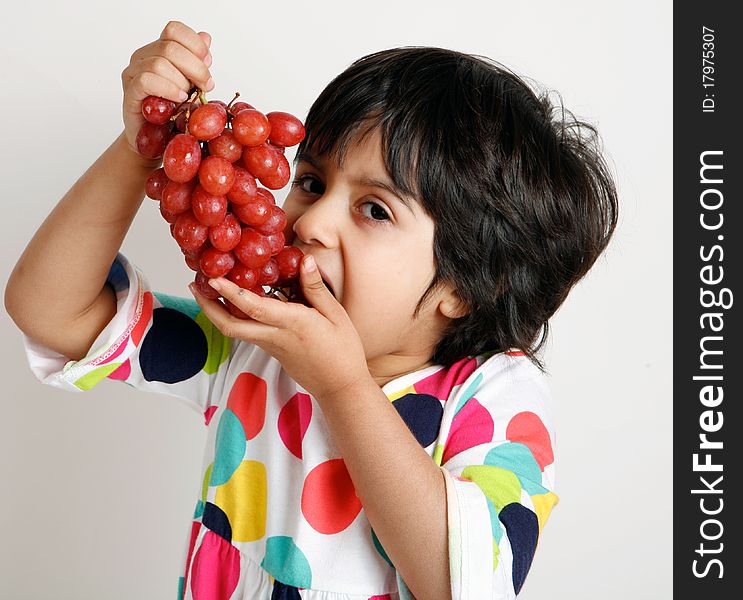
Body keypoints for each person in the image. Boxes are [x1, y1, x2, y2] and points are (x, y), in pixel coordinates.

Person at [4, 20, 618, 600]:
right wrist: (145, 144)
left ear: (466, 286)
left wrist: (343, 386)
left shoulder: (497, 399)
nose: (312, 223)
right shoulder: (254, 347)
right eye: (313, 182)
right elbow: (50, 310)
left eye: (375, 209)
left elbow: (460, 583)